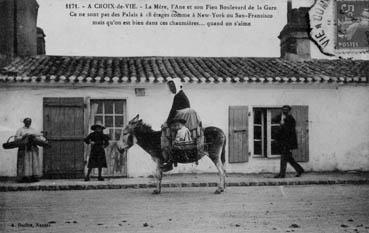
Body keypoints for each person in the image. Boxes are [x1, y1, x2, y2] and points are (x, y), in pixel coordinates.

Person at [274, 105, 304, 178]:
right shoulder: (281, 117)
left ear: (289, 111)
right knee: (289, 158)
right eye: (283, 109)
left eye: (286, 110)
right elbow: (273, 119)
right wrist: (281, 118)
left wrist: (282, 124)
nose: (284, 111)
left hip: (287, 142)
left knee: (284, 158)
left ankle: (282, 174)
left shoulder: (291, 119)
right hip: (283, 141)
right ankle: (299, 169)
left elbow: (289, 131)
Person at [15, 118, 42, 182]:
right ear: (24, 122)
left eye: (29, 122)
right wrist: (23, 136)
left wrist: (34, 137)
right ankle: (23, 177)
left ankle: (34, 176)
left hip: (33, 148)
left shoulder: (33, 130)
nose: (28, 123)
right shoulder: (20, 130)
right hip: (24, 149)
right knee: (24, 162)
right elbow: (16, 139)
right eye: (27, 122)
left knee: (34, 162)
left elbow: (39, 138)